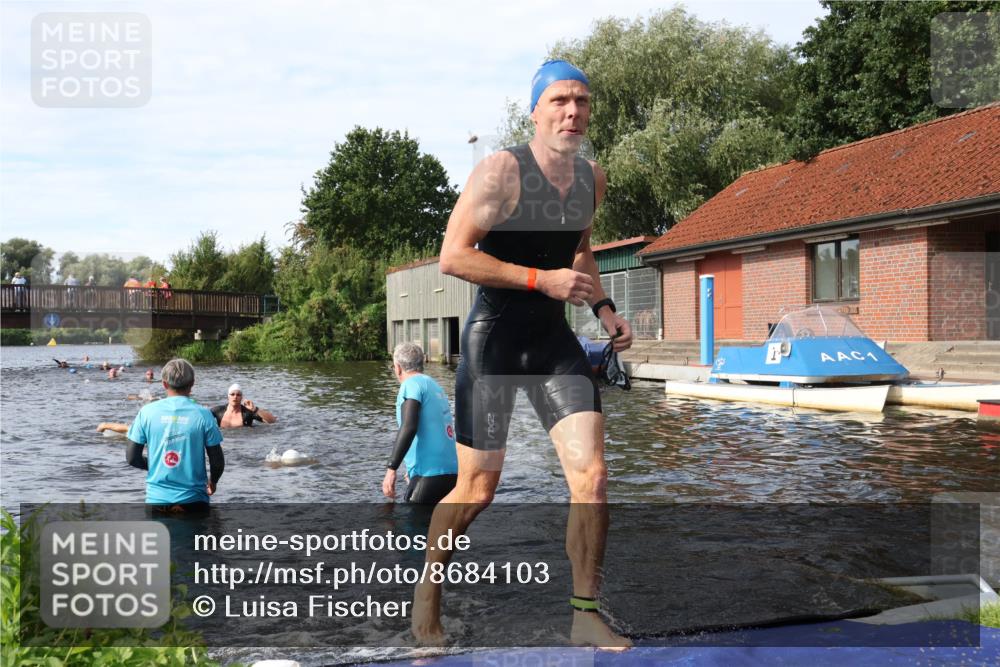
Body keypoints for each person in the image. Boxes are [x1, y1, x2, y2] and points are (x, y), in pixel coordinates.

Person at [411, 60, 633, 650]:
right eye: (560, 100)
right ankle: (427, 598)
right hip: (497, 338)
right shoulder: (500, 172)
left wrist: (605, 310)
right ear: (535, 110)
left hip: (554, 340)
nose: (572, 112)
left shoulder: (592, 178)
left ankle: (585, 611)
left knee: (593, 476)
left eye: (582, 101)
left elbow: (581, 251)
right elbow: (453, 258)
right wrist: (542, 280)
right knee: (477, 490)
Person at [125, 358, 224, 513]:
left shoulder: (146, 412)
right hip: (194, 500)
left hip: (157, 500)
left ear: (164, 384)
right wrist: (213, 482)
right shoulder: (204, 415)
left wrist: (155, 465)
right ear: (192, 384)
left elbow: (132, 458)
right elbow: (217, 462)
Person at [382, 343, 458, 505]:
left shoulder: (410, 385)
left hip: (429, 473)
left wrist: (391, 469)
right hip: (452, 473)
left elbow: (409, 427)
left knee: (411, 528)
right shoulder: (435, 386)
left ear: (398, 367)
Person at [211, 383, 277, 428]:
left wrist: (255, 409)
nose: (235, 397)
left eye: (238, 395)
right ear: (228, 396)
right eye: (232, 394)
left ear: (242, 397)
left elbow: (272, 421)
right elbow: (202, 418)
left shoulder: (248, 412)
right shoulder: (218, 411)